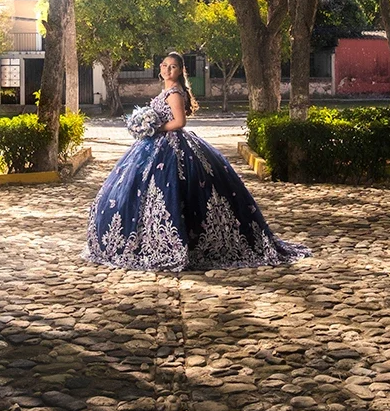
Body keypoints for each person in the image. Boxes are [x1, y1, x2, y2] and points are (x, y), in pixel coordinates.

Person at [83, 52, 310, 271]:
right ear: (160, 68)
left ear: (181, 70)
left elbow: (180, 122)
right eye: (165, 65)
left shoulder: (174, 92)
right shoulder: (168, 90)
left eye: (173, 67)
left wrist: (155, 128)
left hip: (170, 143)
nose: (168, 69)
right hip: (157, 143)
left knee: (171, 189)